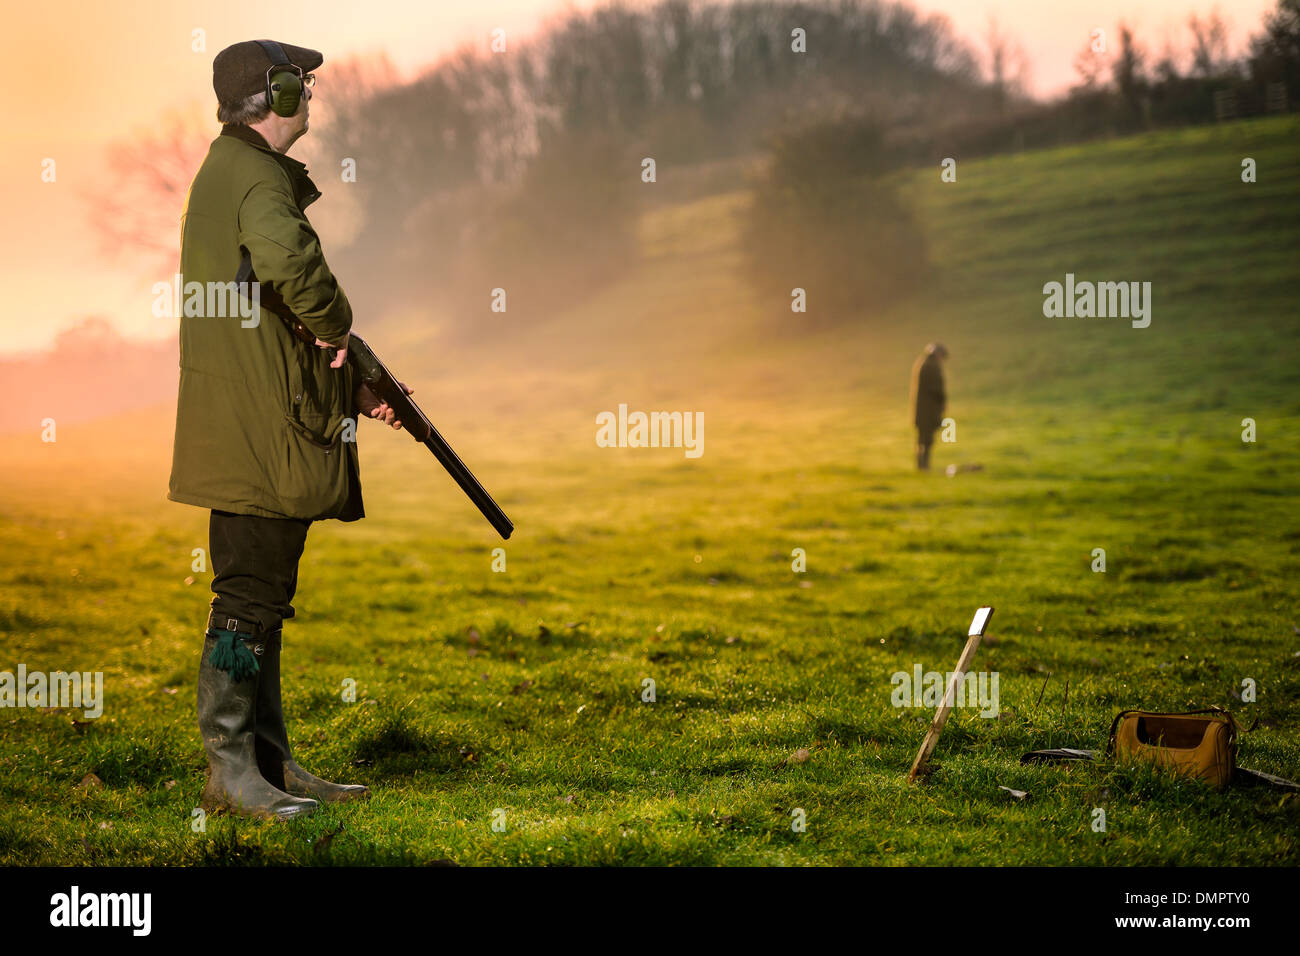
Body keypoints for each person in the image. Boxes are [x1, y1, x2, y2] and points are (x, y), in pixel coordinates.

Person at [168, 39, 407, 820]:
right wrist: (340, 322)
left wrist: (356, 370)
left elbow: (271, 300)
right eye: (299, 83)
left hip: (255, 418)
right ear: (271, 94)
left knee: (261, 596)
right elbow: (294, 269)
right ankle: (229, 775)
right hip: (257, 428)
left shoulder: (230, 171)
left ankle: (264, 762)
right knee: (246, 597)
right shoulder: (254, 178)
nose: (309, 93)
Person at [910, 343, 948, 471]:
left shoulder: (923, 364)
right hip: (929, 410)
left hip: (924, 409)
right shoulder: (931, 366)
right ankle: (923, 466)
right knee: (926, 440)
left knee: (923, 439)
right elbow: (937, 389)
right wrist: (943, 402)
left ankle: (922, 466)